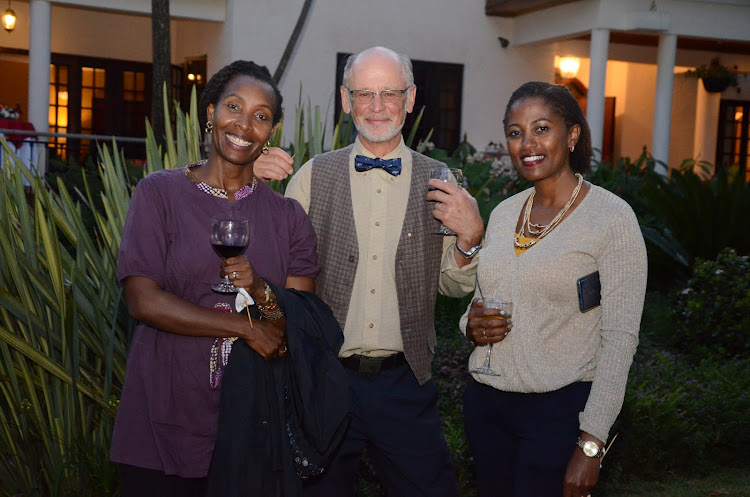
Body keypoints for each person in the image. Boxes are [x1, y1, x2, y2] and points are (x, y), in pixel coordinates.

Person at [254, 46, 484, 497]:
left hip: (405, 383)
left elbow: (452, 286)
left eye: (390, 93)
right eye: (364, 94)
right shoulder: (312, 176)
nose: (377, 107)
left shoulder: (442, 182)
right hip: (323, 380)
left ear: (411, 97)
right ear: (345, 100)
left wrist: (470, 239)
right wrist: (251, 182)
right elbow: (269, 267)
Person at [110, 60, 320, 497]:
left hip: (252, 425)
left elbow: (298, 323)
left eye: (261, 116)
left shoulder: (288, 218)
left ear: (272, 131)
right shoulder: (159, 193)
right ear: (210, 114)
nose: (244, 124)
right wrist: (244, 329)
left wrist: (260, 289)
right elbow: (142, 300)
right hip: (162, 417)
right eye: (233, 107)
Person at [460, 81, 647, 497]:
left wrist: (592, 442)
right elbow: (485, 295)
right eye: (515, 132)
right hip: (487, 406)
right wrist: (469, 325)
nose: (528, 143)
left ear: (573, 134)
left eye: (541, 128)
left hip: (560, 412)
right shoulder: (506, 213)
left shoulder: (611, 219)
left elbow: (619, 339)